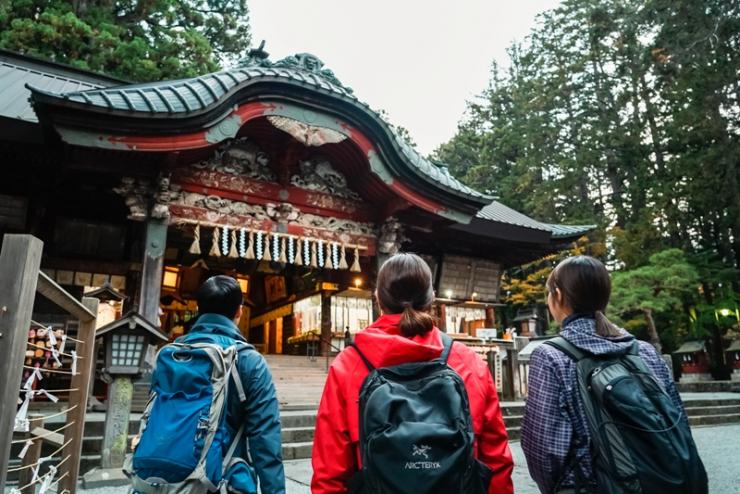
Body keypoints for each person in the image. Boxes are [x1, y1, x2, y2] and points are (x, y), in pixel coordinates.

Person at [311, 253, 513, 494]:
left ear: (378, 298)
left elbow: (329, 471)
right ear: (432, 298)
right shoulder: (469, 363)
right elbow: (496, 461)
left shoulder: (349, 364)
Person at [521, 256, 706, 493]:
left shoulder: (551, 356)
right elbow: (678, 421)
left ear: (557, 295)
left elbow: (546, 451)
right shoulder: (644, 351)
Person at [182, 275, 285, 494]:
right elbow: (265, 440)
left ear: (199, 308)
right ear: (239, 311)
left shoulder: (173, 354)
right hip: (222, 481)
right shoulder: (249, 361)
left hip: (167, 480)